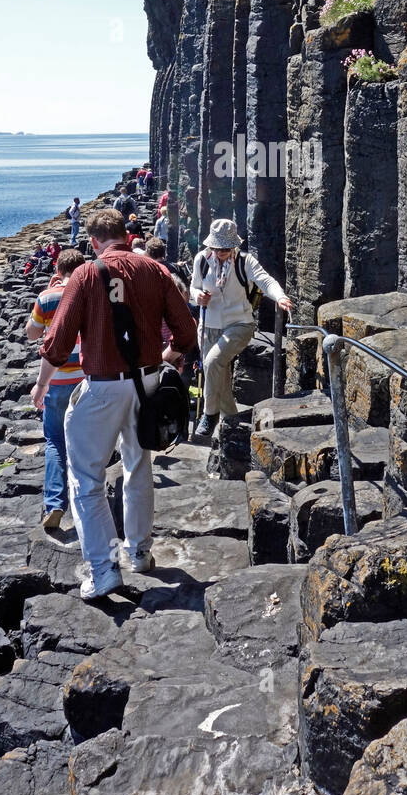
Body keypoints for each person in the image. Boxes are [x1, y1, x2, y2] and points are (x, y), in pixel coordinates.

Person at [32, 208, 197, 600]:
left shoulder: (87, 274)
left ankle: (104, 569)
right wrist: (168, 357)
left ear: (93, 242)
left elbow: (56, 344)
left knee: (86, 479)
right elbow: (187, 332)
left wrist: (42, 387)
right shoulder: (154, 270)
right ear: (125, 234)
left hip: (104, 387)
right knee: (138, 466)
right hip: (149, 383)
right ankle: (138, 552)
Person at [191, 219, 292, 439]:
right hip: (209, 327)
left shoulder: (245, 262)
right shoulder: (201, 260)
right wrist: (197, 296)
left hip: (240, 324)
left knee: (212, 363)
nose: (221, 252)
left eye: (226, 248)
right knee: (220, 377)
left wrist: (280, 296)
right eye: (217, 248)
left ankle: (209, 415)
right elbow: (194, 287)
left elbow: (265, 281)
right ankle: (232, 427)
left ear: (234, 246)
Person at [25, 248, 85, 530]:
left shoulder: (47, 297)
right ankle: (86, 500)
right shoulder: (90, 294)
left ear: (57, 270)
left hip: (56, 379)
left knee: (55, 442)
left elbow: (32, 333)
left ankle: (54, 503)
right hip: (88, 377)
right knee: (87, 441)